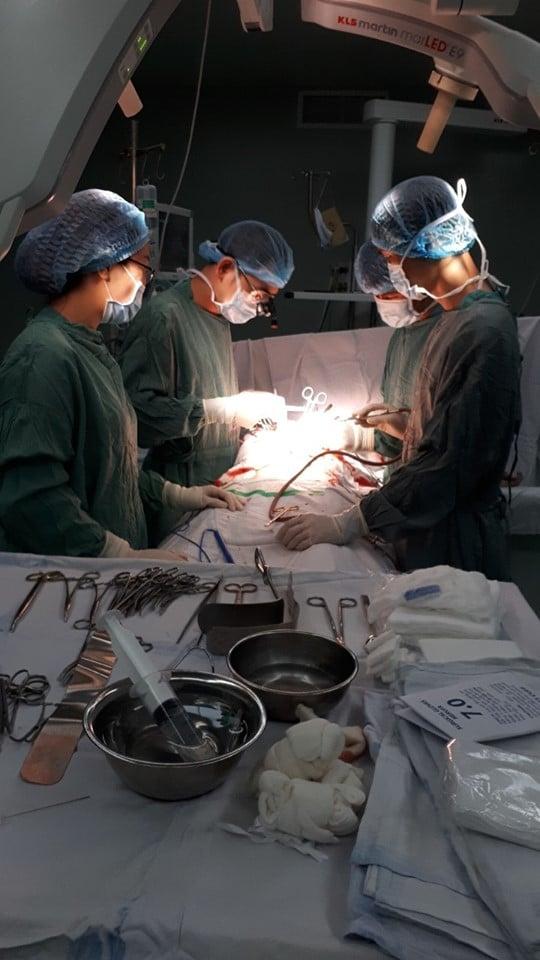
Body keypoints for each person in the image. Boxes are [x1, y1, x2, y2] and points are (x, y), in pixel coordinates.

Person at [279, 176, 521, 580]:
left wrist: (353, 521)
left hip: (455, 548)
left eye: (392, 257)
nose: (392, 270)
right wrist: (395, 425)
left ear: (425, 246)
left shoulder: (484, 332)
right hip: (428, 530)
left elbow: (447, 464)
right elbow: (441, 431)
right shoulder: (457, 322)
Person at [0, 190, 243, 560]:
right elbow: (31, 499)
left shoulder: (92, 351)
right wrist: (115, 554)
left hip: (98, 574)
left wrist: (177, 494)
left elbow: (112, 467)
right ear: (104, 266)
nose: (145, 281)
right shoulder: (41, 358)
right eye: (143, 266)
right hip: (66, 578)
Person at [119, 219, 294, 541]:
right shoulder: (163, 317)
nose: (259, 306)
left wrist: (248, 421)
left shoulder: (217, 318)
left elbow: (204, 391)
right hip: (175, 498)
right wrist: (223, 410)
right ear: (225, 267)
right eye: (258, 293)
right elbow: (137, 417)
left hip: (217, 484)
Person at [350, 240, 442, 464]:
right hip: (403, 478)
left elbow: (453, 440)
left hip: (435, 476)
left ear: (411, 283)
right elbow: (395, 443)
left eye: (390, 294)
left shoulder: (448, 335)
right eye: (377, 295)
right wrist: (360, 437)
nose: (383, 301)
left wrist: (407, 429)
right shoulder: (401, 336)